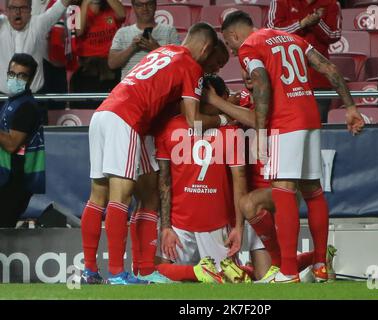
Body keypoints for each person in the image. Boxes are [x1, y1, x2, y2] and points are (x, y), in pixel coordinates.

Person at [221, 10, 363, 283]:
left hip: (285, 122)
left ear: (233, 35)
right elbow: (328, 67)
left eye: (229, 45)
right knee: (312, 190)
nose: (232, 51)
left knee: (283, 190)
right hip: (310, 116)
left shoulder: (250, 47)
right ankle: (320, 265)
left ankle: (288, 271)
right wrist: (350, 107)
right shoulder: (289, 38)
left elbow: (261, 82)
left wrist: (261, 131)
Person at [80, 22, 223, 285]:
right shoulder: (191, 65)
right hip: (127, 119)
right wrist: (222, 120)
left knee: (139, 195)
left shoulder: (164, 51)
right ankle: (115, 274)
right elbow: (193, 121)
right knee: (120, 196)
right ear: (205, 48)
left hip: (104, 113)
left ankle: (128, 270)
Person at [153, 74, 247, 284]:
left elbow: (239, 180)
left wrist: (238, 226)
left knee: (161, 276)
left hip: (210, 223)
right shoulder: (231, 131)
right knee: (159, 278)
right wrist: (165, 227)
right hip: (181, 224)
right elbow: (164, 180)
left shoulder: (171, 127)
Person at [267, 0, 342, 123]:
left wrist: (318, 22)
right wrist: (301, 24)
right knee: (286, 125)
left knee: (317, 128)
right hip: (285, 79)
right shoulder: (281, 1)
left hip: (318, 80)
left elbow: (334, 34)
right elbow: (271, 30)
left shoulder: (331, 3)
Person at [0, 54, 45, 228]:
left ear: (30, 79)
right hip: (6, 179)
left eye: (21, 76)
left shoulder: (26, 107)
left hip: (15, 184)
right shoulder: (12, 102)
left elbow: (11, 144)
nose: (15, 79)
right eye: (12, 74)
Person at [0, 0, 77, 95]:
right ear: (6, 10)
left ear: (30, 10)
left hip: (35, 99)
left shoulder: (38, 24)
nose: (17, 12)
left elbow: (60, 5)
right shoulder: (1, 24)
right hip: (3, 99)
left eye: (23, 8)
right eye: (13, 8)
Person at [70, 0, 125, 108]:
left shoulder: (111, 8)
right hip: (88, 66)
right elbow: (79, 31)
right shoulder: (76, 10)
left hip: (109, 66)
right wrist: (85, 3)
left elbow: (122, 14)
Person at [108, 0, 180, 80]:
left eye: (149, 4)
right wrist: (132, 48)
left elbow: (179, 63)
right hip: (131, 88)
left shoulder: (169, 31)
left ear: (155, 5)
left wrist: (156, 49)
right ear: (133, 7)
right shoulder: (122, 32)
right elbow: (112, 64)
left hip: (160, 87)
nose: (145, 8)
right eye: (139, 5)